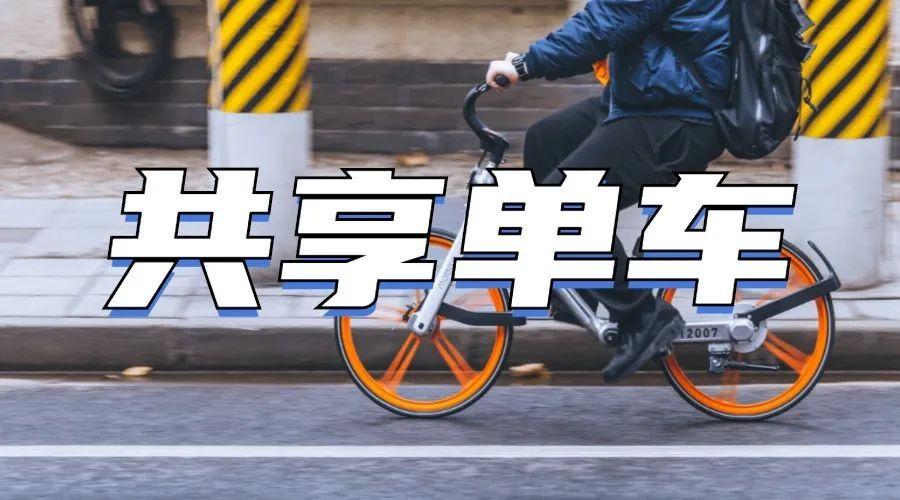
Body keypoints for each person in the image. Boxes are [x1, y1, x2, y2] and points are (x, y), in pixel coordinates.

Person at [485, 0, 731, 382]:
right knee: (547, 141)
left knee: (561, 204)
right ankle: (579, 289)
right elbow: (609, 29)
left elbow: (607, 22)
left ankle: (643, 317)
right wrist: (533, 61)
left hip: (676, 117)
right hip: (648, 97)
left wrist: (525, 65)